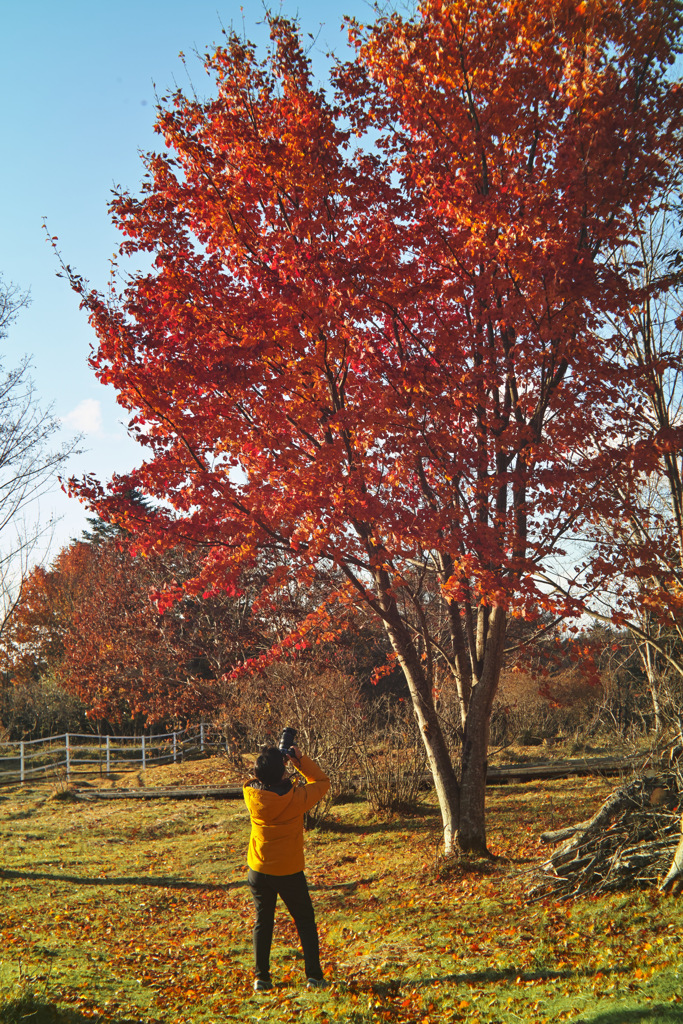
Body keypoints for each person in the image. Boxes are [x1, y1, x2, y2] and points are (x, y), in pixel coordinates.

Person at [243, 744, 330, 993]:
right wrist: (299, 760)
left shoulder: (251, 795)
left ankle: (262, 978)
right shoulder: (296, 798)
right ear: (282, 773)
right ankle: (314, 976)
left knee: (263, 920)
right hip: (289, 871)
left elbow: (255, 780)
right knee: (304, 921)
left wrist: (274, 766)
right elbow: (322, 781)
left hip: (258, 869)